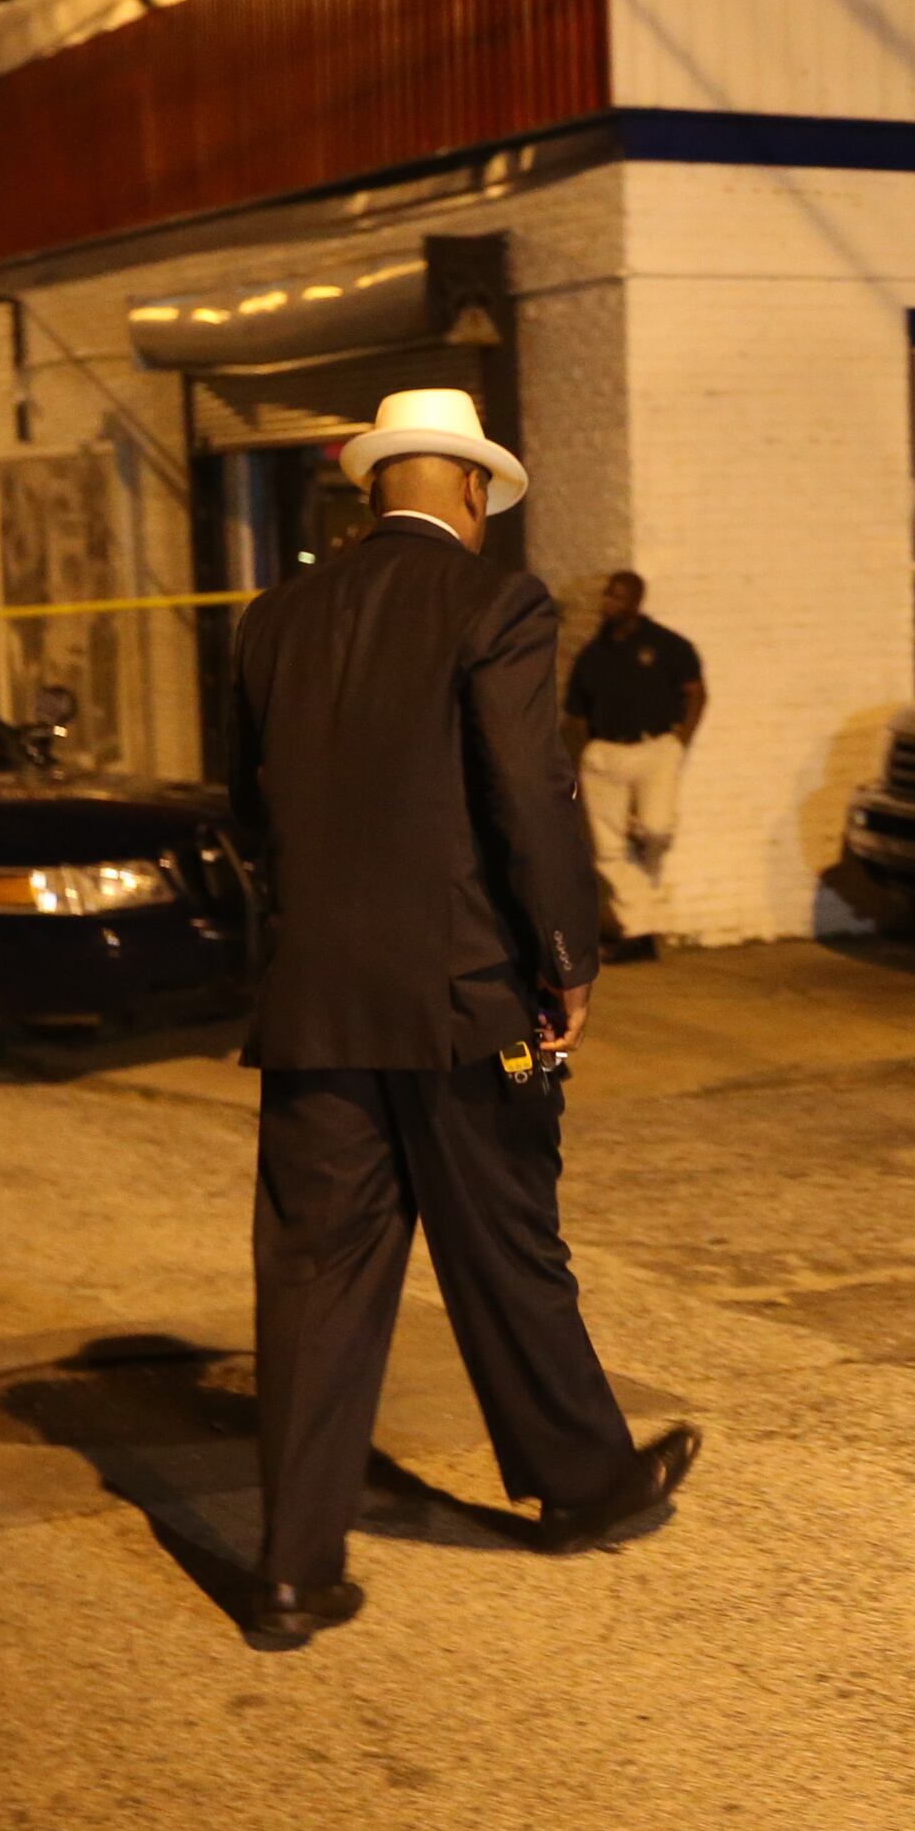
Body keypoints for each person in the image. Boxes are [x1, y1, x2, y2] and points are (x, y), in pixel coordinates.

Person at [225, 387, 701, 1652]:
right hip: (462, 997)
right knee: (505, 1249)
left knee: (316, 1279)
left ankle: (290, 1571)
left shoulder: (273, 618)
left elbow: (248, 815)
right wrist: (569, 958)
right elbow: (529, 797)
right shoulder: (495, 604)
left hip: (317, 1005)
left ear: (379, 487)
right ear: (474, 492)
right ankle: (583, 1484)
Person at [563, 570, 704, 963]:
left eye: (618, 597)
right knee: (608, 850)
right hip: (606, 752)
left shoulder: (667, 646)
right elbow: (576, 710)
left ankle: (640, 926)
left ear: (636, 602)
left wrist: (680, 741)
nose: (609, 603)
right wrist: (591, 746)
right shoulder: (593, 654)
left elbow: (696, 693)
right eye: (607, 596)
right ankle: (641, 932)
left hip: (655, 748)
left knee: (656, 830)